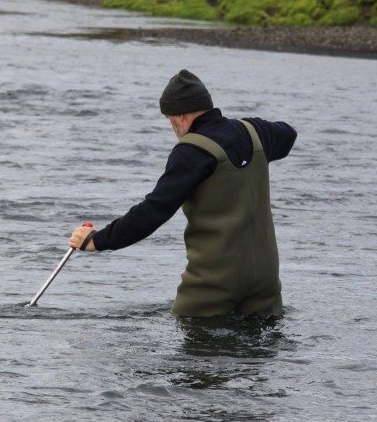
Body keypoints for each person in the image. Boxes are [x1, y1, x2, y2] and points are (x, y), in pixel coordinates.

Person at [68, 69, 297, 317]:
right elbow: (289, 133)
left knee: (192, 346)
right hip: (266, 279)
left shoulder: (192, 151)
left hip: (215, 280)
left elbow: (154, 211)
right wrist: (244, 136)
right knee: (255, 353)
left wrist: (98, 240)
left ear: (180, 116)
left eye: (169, 120)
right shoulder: (255, 131)